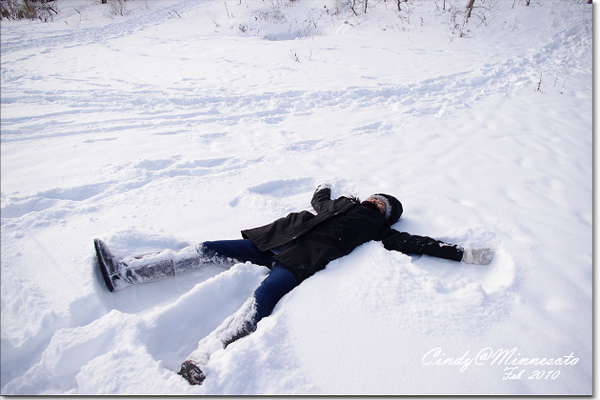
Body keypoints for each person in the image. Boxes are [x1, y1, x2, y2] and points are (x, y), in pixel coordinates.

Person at [93, 184, 494, 385]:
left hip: (301, 260)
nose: (374, 203)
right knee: (207, 247)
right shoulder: (343, 206)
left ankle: (203, 359)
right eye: (373, 199)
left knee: (260, 301)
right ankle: (127, 273)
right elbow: (321, 203)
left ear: (386, 216)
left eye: (381, 205)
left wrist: (461, 253)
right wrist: (324, 187)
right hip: (272, 241)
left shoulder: (378, 231)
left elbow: (414, 243)